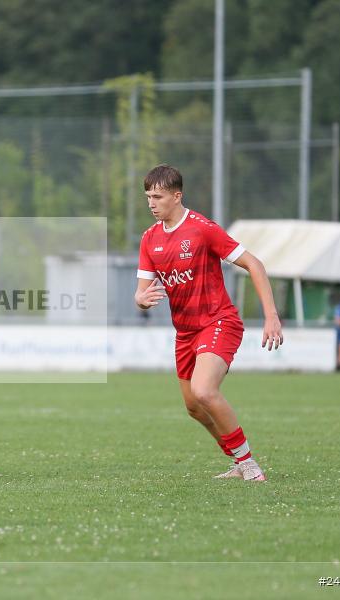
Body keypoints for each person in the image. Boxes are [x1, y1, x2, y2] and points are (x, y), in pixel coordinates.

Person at [134, 165, 283, 482]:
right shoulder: (149, 239)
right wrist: (141, 300)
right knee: (194, 407)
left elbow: (253, 263)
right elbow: (140, 291)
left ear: (177, 196)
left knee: (204, 390)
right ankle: (238, 462)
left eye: (157, 196)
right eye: (148, 196)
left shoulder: (202, 229)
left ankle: (249, 464)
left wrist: (271, 315)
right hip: (185, 332)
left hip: (219, 321)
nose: (151, 203)